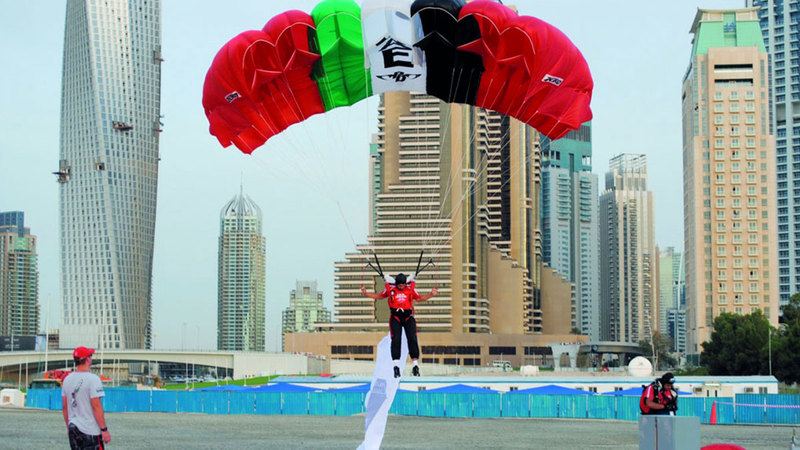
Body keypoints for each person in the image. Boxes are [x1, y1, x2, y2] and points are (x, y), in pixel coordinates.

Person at [361, 272, 438, 378]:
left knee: (412, 338)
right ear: (396, 284)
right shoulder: (391, 289)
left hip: (408, 317)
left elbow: (419, 298)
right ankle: (396, 366)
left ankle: (415, 365)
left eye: (403, 285)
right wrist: (366, 293)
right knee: (396, 339)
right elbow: (379, 296)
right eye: (399, 285)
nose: (401, 287)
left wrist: (431, 294)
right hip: (396, 317)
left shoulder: (410, 289)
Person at [62, 346, 110, 449]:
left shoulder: (67, 380)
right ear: (87, 359)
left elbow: (65, 407)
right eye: (90, 356)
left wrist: (68, 427)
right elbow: (96, 406)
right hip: (90, 429)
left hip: (73, 427)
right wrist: (104, 429)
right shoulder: (93, 379)